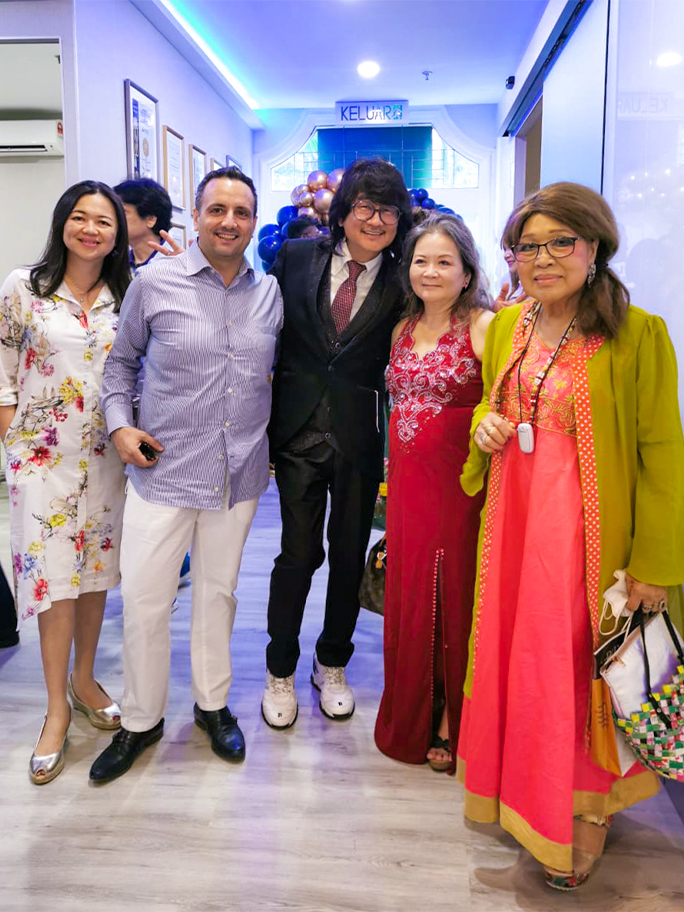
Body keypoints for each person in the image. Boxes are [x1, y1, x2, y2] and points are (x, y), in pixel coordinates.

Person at [457, 182, 684, 889]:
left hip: (589, 543)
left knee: (571, 671)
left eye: (562, 242)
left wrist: (653, 565)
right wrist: (482, 428)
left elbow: (662, 454)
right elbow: (490, 412)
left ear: (595, 248)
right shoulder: (507, 327)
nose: (543, 258)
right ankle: (522, 794)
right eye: (529, 245)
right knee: (518, 668)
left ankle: (585, 811)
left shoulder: (636, 333)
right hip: (514, 535)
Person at [91, 166, 283, 783]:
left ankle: (212, 705)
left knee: (218, 594)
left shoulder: (269, 293)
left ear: (254, 220)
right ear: (195, 217)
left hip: (238, 473)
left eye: (242, 212)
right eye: (217, 210)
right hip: (163, 469)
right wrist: (120, 428)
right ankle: (142, 718)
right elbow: (119, 366)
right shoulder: (155, 283)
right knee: (146, 599)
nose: (230, 222)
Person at [262, 158, 412, 728]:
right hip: (298, 431)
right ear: (344, 211)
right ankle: (280, 669)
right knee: (298, 555)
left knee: (349, 555)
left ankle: (333, 663)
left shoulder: (404, 280)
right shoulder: (296, 258)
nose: (376, 220)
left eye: (389, 210)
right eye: (366, 208)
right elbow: (264, 333)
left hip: (360, 434)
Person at [0, 180, 131, 784]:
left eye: (103, 222)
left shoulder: (127, 295)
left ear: (117, 233)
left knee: (95, 576)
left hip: (107, 462)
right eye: (80, 218)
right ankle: (57, 707)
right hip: (42, 463)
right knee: (54, 582)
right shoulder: (24, 287)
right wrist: (15, 448)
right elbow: (2, 372)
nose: (91, 230)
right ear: (63, 224)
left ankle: (85, 680)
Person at [374, 214, 493, 774]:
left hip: (459, 488)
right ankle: (412, 715)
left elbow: (505, 403)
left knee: (455, 594)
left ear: (467, 272)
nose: (431, 271)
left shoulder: (487, 327)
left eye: (445, 261)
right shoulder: (401, 329)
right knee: (412, 590)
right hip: (405, 488)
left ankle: (451, 719)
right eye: (421, 260)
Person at [113, 178, 174, 273]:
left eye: (122, 212)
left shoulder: (176, 264)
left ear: (150, 220)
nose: (114, 219)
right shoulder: (117, 264)